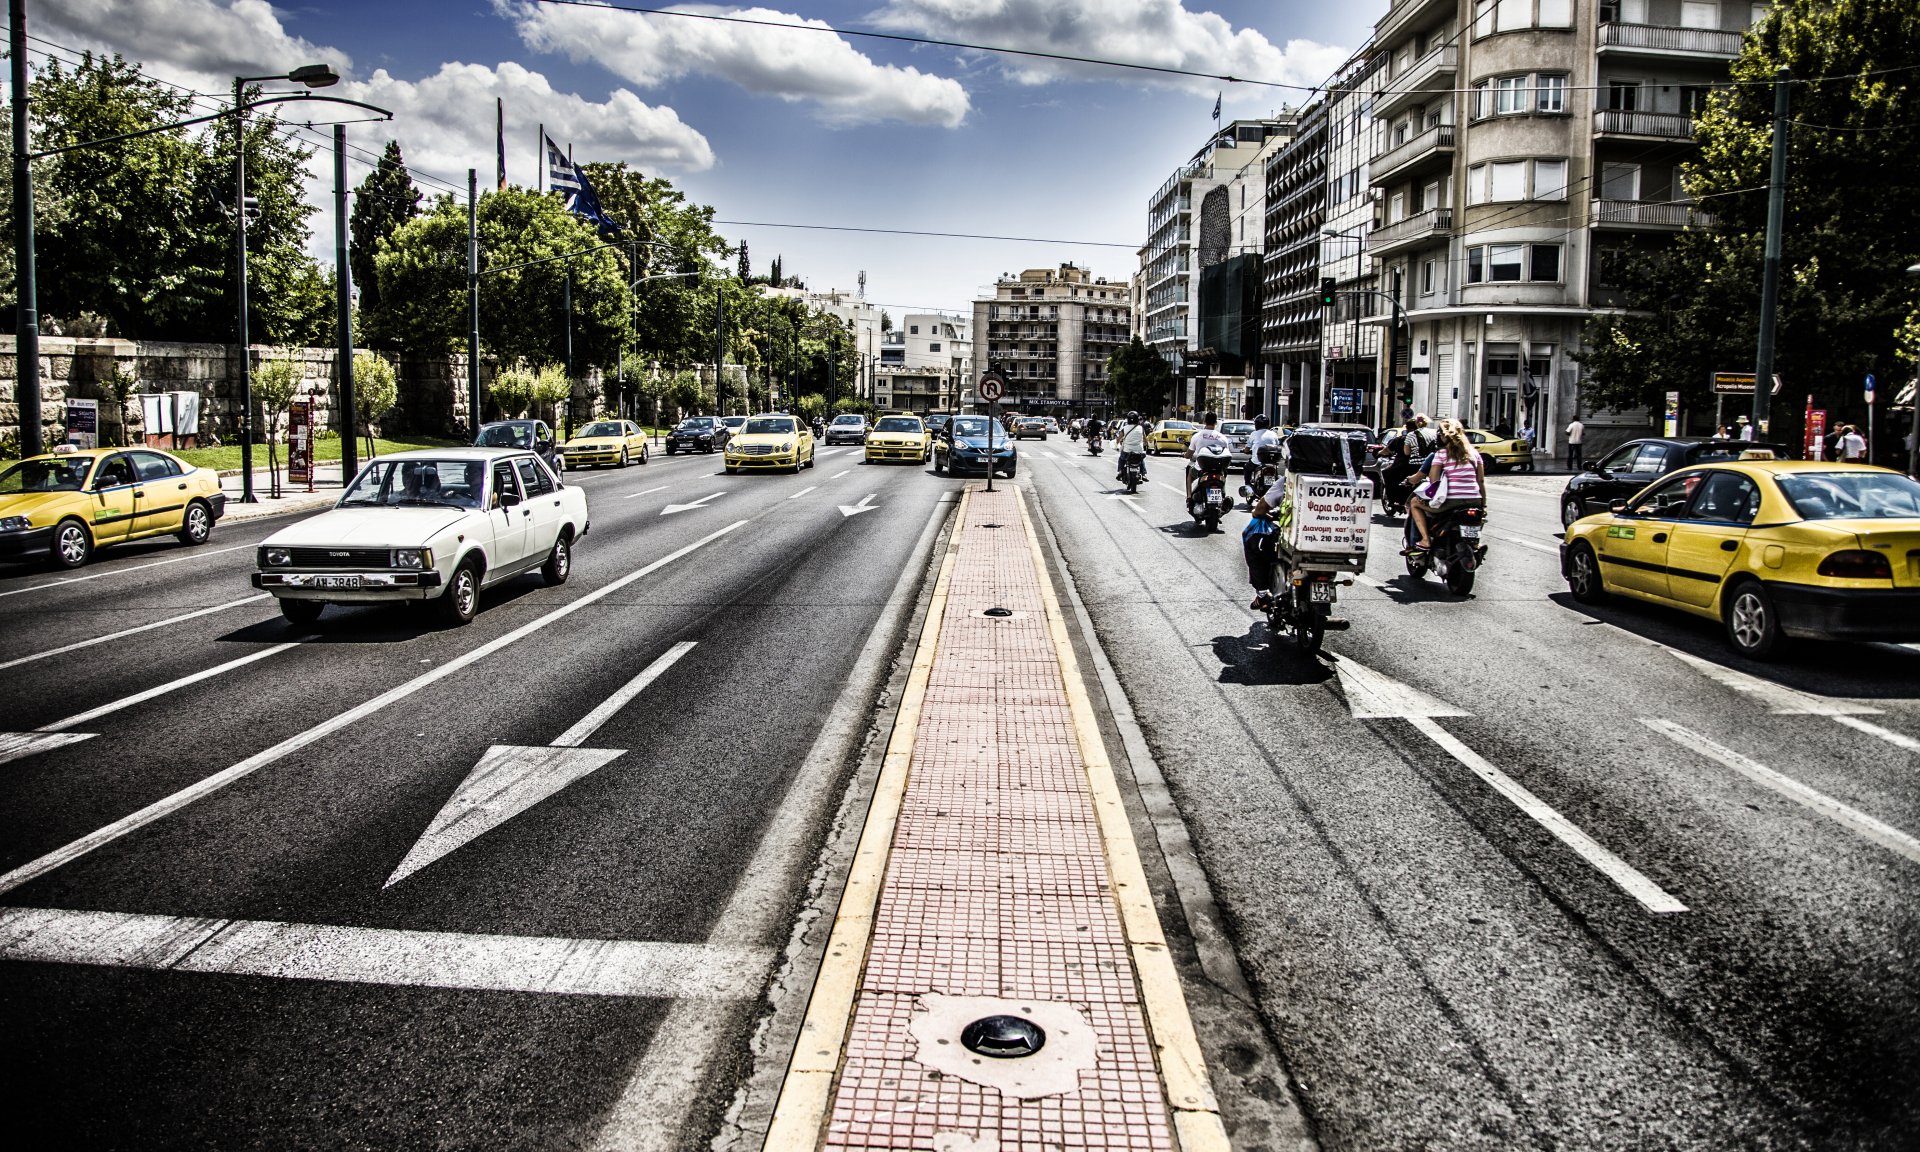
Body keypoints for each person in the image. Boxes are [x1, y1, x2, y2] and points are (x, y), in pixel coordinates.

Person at [1407, 418, 1486, 553]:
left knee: (1414, 503)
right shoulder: (1474, 454)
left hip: (1451, 501)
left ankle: (1425, 540)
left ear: (1443, 437)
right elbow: (1480, 481)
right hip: (1474, 499)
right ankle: (1474, 544)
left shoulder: (1441, 454)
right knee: (1477, 517)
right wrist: (1483, 504)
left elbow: (1434, 480)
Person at [1185, 410, 1233, 501]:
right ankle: (1222, 491)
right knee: (1224, 474)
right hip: (1219, 469)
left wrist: (1185, 455)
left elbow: (1189, 454)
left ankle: (1189, 497)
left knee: (1189, 473)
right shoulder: (1222, 438)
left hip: (1201, 469)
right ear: (1216, 422)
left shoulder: (1197, 436)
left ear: (1204, 421)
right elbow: (1226, 453)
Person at [1117, 411, 1148, 480]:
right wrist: (1143, 444)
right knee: (1141, 460)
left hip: (1127, 451)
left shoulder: (1124, 428)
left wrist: (1118, 442)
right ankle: (1144, 474)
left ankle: (1120, 471)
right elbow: (1146, 441)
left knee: (1121, 459)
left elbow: (1118, 440)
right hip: (1139, 451)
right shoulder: (1141, 428)